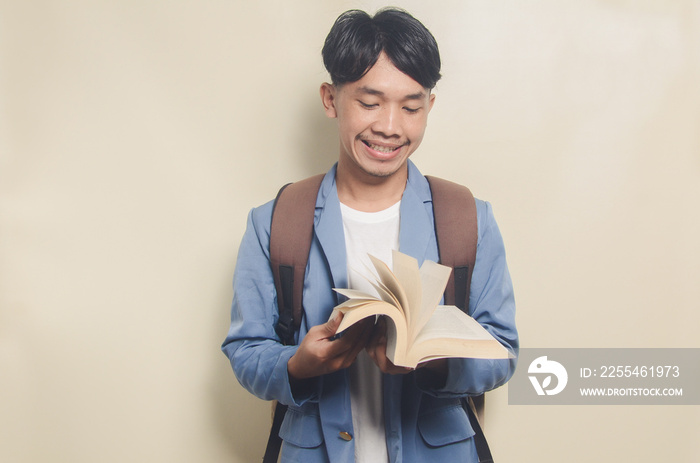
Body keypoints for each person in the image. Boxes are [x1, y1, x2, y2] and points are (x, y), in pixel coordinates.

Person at [222, 8, 518, 463]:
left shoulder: (466, 217)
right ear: (330, 99)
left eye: (411, 107)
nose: (390, 126)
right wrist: (297, 366)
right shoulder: (275, 221)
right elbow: (246, 350)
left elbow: (503, 351)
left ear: (429, 108)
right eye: (369, 102)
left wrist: (434, 364)